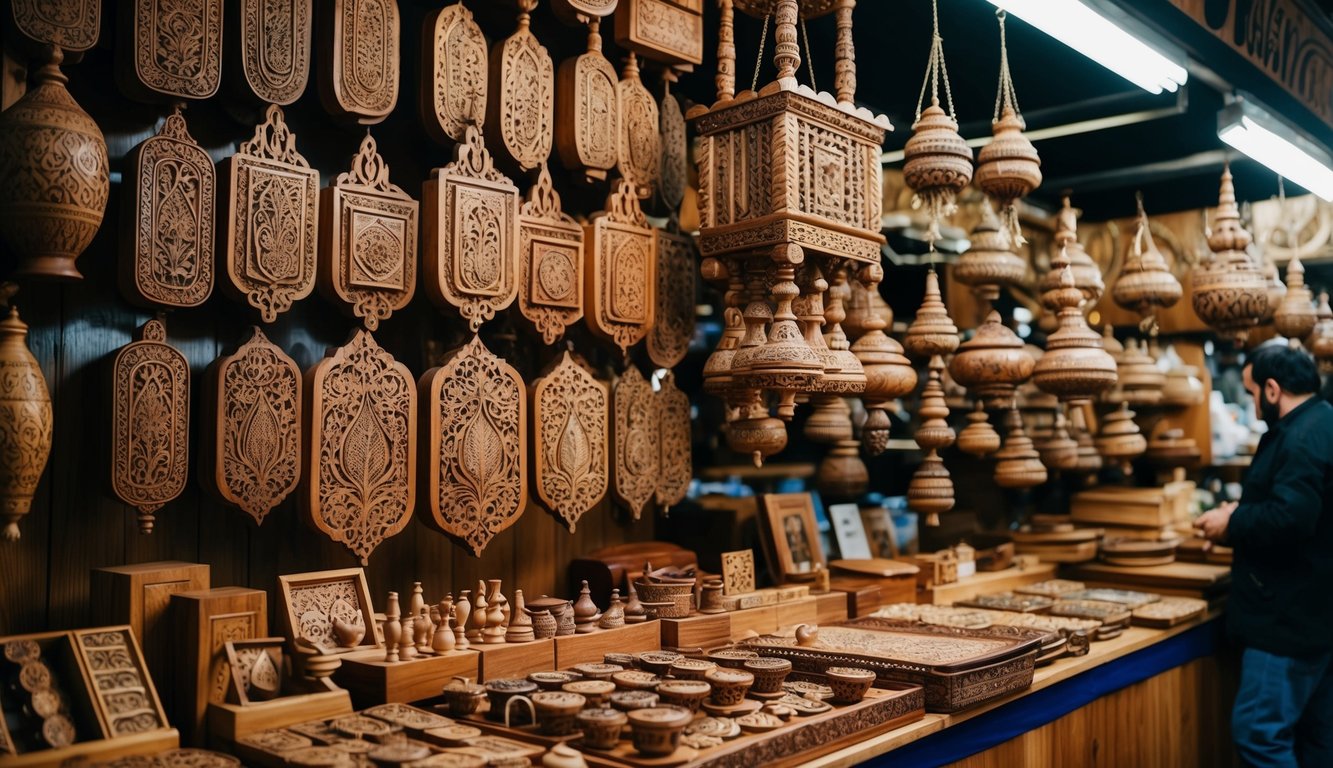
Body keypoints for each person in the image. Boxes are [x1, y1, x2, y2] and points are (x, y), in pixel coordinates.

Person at [1195, 344, 1333, 767]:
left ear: (1273, 390)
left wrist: (1230, 525)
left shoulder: (1300, 436)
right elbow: (1302, 504)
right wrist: (1241, 512)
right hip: (1317, 613)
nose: (1253, 406)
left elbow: (1291, 518)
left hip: (1286, 619)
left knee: (1260, 734)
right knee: (1317, 738)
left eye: (1254, 393)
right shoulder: (1324, 419)